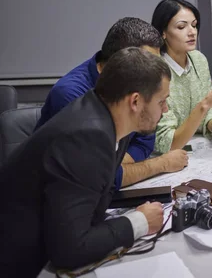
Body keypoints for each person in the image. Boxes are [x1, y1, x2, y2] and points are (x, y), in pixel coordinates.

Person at [0, 48, 170, 277]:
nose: (166, 109)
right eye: (162, 101)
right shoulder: (87, 138)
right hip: (22, 263)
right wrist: (139, 222)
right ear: (136, 101)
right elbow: (70, 250)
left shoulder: (110, 117)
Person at [35, 17, 188, 189]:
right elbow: (95, 177)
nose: (155, 72)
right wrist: (160, 164)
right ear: (122, 60)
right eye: (148, 63)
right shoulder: (71, 95)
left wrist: (114, 166)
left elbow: (144, 141)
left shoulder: (133, 87)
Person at [151, 0, 212, 153]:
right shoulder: (155, 70)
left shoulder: (198, 59)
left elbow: (209, 110)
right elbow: (166, 143)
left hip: (198, 150)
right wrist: (206, 104)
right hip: (166, 157)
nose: (192, 32)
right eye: (182, 27)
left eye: (194, 25)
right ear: (163, 32)